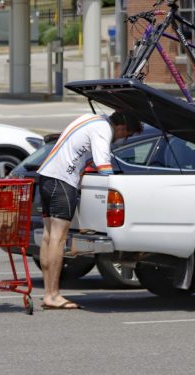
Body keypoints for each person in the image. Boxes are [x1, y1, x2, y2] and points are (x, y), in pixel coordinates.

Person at [37, 111, 140, 309]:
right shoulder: (103, 129)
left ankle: (48, 294)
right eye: (126, 135)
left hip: (47, 176)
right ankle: (53, 295)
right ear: (121, 127)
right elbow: (104, 165)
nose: (122, 139)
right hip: (63, 181)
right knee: (58, 239)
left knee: (49, 237)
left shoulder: (92, 118)